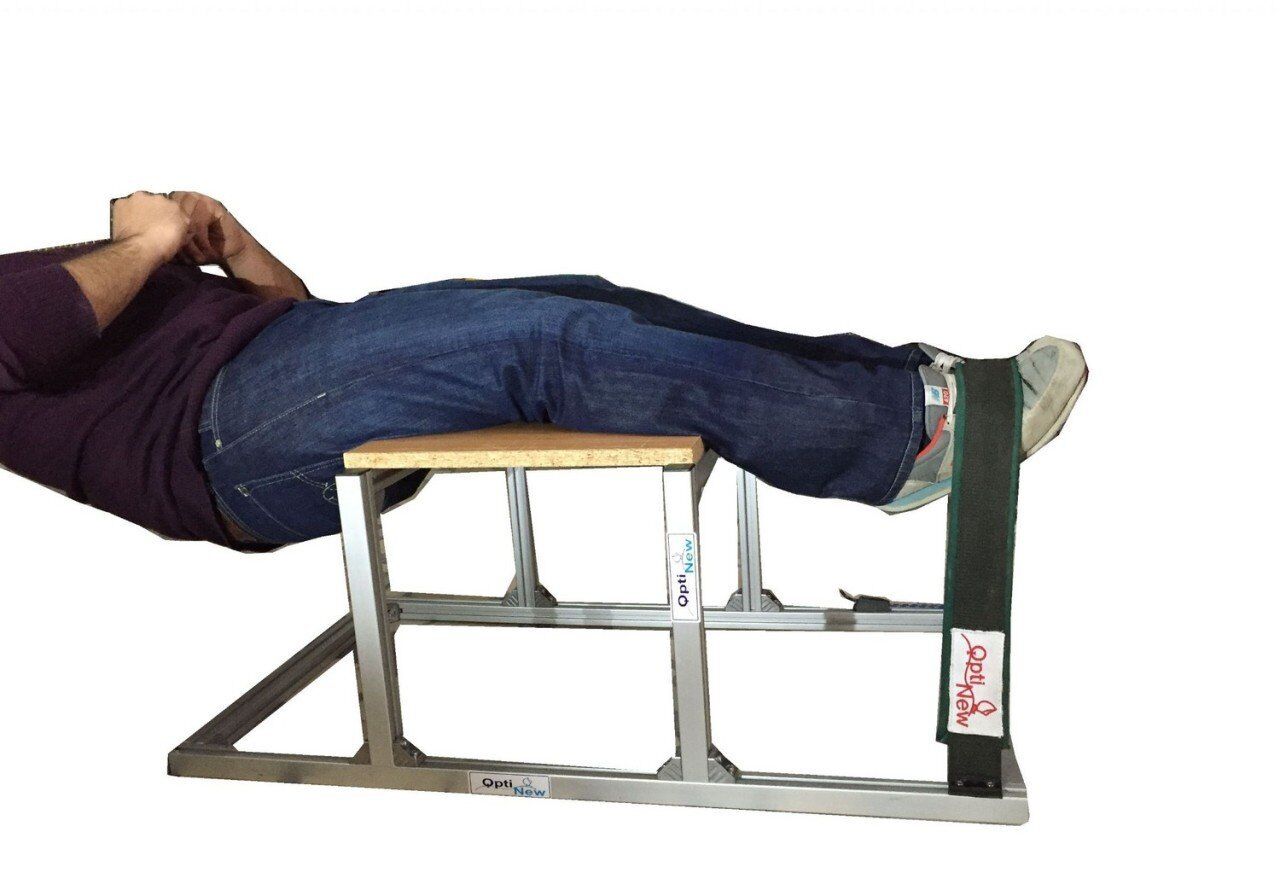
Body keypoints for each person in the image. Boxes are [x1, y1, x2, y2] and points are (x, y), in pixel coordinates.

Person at [0, 191, 1087, 548]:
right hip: (221, 448)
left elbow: (290, 312)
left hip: (270, 372)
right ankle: (909, 443)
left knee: (581, 298)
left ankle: (907, 386)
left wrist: (232, 246)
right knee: (533, 344)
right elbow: (28, 333)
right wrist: (150, 240)